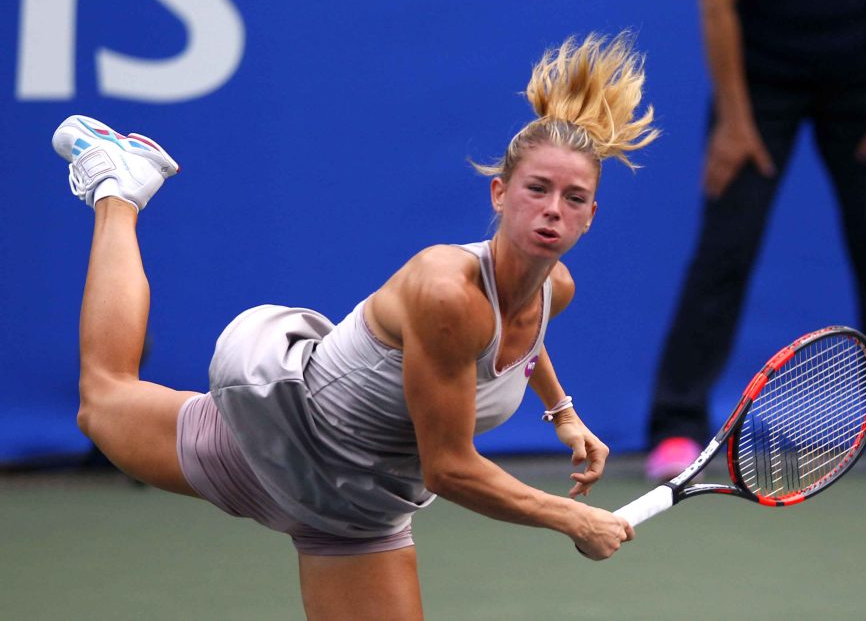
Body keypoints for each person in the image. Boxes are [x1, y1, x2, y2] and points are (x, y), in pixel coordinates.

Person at [54, 33, 658, 619]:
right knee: (102, 398)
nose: (554, 208)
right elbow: (448, 468)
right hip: (273, 441)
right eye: (537, 189)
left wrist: (562, 411)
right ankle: (120, 188)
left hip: (358, 512)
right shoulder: (448, 292)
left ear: (591, 217)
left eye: (574, 198)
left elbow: (521, 338)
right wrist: (572, 517)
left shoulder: (557, 288)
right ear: (500, 193)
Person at [646, 0, 866, 482]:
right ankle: (678, 424)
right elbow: (718, 6)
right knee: (724, 251)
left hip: (865, 84)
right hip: (759, 84)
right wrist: (733, 121)